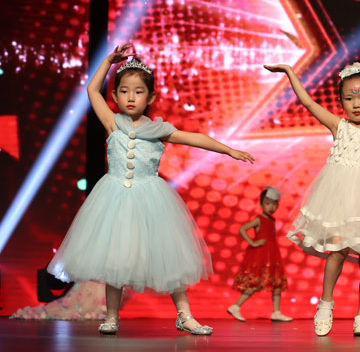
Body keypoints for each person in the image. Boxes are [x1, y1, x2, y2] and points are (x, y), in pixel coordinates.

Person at [47, 44, 254, 336]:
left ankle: (185, 316)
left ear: (151, 97)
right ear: (115, 95)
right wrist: (107, 61)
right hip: (114, 199)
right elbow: (92, 91)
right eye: (124, 91)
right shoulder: (112, 123)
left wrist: (228, 150)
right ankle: (112, 316)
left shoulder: (159, 130)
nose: (131, 97)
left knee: (168, 257)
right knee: (115, 259)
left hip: (150, 200)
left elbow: (196, 138)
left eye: (138, 91)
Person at [264, 61, 360, 337]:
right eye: (349, 98)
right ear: (341, 102)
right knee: (338, 250)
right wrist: (290, 73)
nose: (356, 104)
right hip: (340, 201)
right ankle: (325, 303)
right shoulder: (339, 126)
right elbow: (308, 102)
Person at [227, 186, 291, 322]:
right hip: (261, 256)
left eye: (274, 204)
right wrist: (253, 242)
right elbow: (242, 229)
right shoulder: (259, 219)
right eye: (267, 203)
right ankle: (235, 306)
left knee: (277, 284)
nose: (271, 207)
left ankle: (276, 312)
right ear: (261, 204)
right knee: (255, 284)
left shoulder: (272, 220)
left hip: (272, 255)